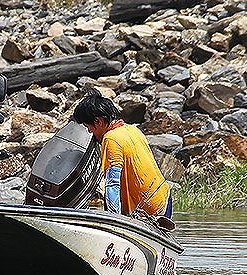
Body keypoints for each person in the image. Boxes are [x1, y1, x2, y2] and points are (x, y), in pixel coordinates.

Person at [72, 91, 172, 219]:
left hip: (149, 209)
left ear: (98, 122)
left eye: (88, 127)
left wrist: (114, 220)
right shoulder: (132, 129)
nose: (89, 132)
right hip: (164, 197)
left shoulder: (111, 139)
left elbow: (112, 185)